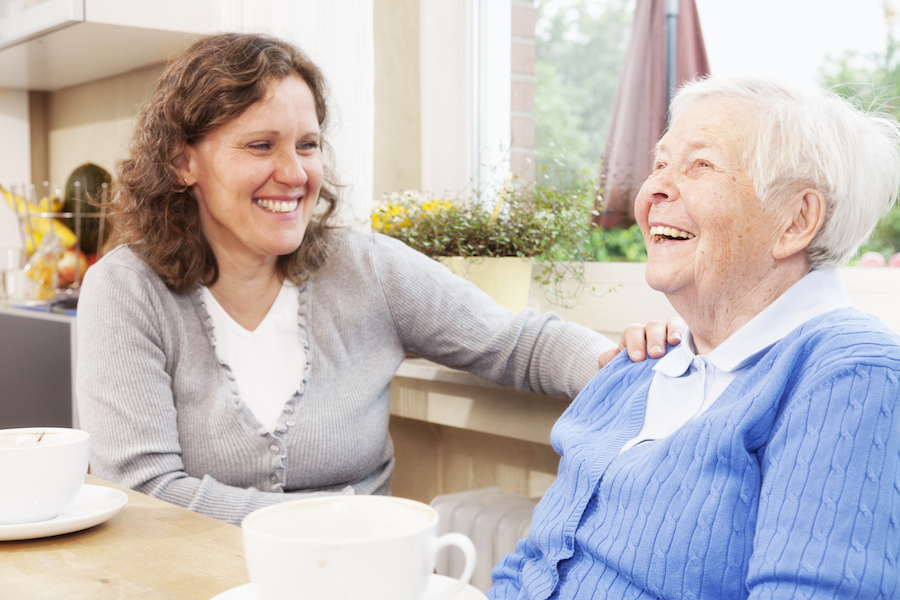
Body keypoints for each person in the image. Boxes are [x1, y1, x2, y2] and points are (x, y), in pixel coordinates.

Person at [75, 33, 681, 526]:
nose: (293, 172)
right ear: (183, 161)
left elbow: (516, 343)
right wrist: (337, 518)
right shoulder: (127, 290)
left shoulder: (368, 268)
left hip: (358, 576)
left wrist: (618, 362)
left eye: (308, 145)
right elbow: (145, 490)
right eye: (261, 145)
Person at [489, 76, 900, 599]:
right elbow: (532, 561)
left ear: (796, 221)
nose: (654, 188)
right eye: (660, 164)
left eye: (700, 165)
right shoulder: (640, 366)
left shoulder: (852, 374)